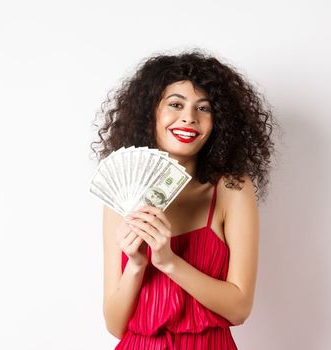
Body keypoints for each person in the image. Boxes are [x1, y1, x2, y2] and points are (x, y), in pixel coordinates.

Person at [91, 49, 277, 349]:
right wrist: (136, 265)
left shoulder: (231, 189)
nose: (189, 118)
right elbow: (115, 325)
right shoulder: (122, 197)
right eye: (175, 104)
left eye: (204, 108)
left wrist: (168, 262)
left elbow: (239, 308)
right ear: (151, 112)